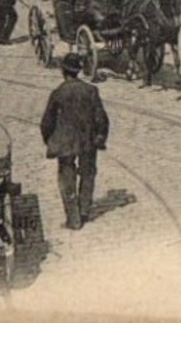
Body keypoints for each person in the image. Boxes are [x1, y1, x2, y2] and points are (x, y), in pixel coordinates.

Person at [41, 51, 110, 231]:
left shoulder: (58, 93)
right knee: (88, 174)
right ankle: (85, 210)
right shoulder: (91, 90)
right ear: (78, 71)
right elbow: (102, 118)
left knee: (67, 179)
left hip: (65, 143)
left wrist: (50, 140)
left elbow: (47, 122)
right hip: (88, 140)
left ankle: (73, 218)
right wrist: (101, 136)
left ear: (64, 72)